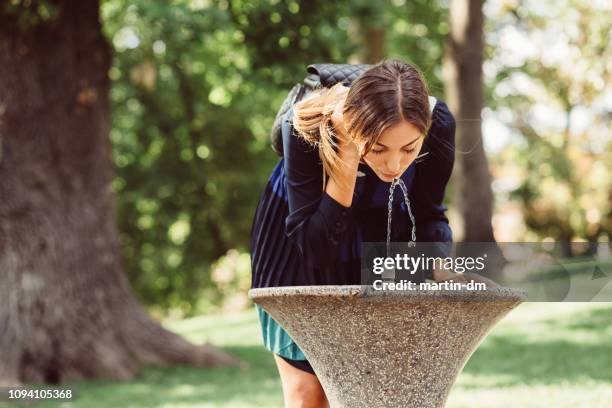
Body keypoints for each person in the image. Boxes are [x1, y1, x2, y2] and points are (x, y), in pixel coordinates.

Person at [249, 59, 491, 408]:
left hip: (375, 235)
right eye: (378, 148)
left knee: (379, 386)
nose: (394, 165)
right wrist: (347, 155)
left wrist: (439, 267)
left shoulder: (438, 124)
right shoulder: (302, 124)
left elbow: (427, 213)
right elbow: (315, 248)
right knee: (310, 395)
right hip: (301, 237)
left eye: (409, 149)